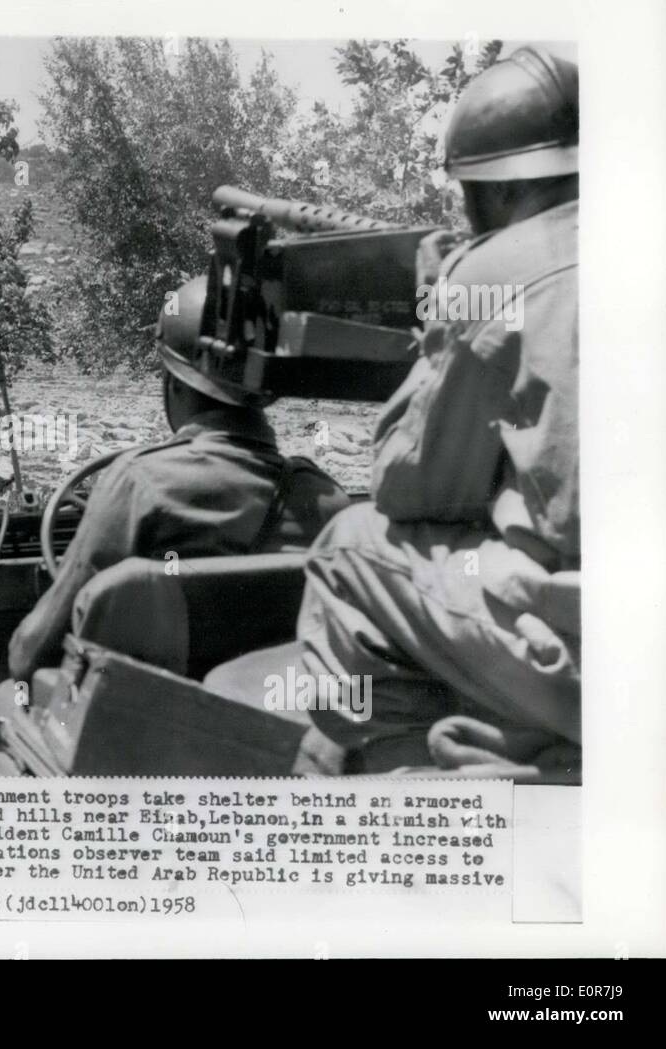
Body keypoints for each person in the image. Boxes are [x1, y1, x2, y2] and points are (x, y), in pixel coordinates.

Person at [206, 46, 581, 779]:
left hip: (593, 646)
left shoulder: (495, 273)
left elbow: (412, 486)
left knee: (348, 545)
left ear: (499, 192)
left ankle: (416, 768)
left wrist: (449, 305)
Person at [6, 276, 350, 681]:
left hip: (158, 727)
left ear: (173, 384)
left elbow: (31, 655)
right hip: (277, 724)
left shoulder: (139, 482)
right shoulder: (326, 498)